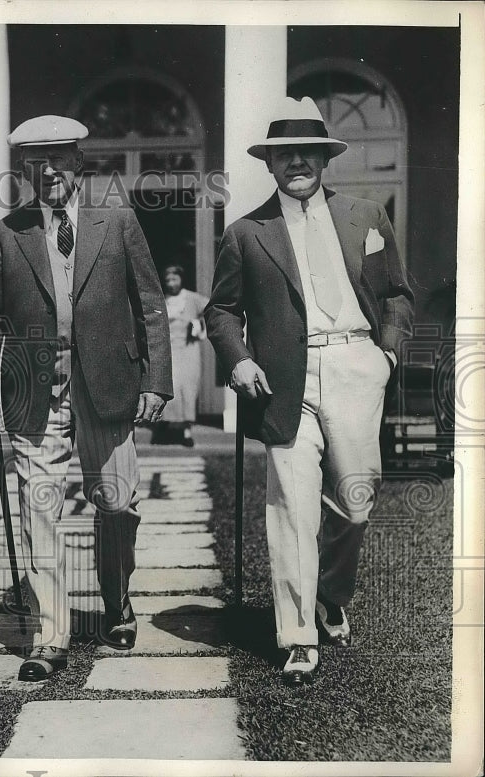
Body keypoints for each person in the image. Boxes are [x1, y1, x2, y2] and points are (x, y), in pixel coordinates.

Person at [205, 96, 413, 686]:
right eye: (284, 154)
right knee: (291, 508)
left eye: (307, 152)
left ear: (325, 158)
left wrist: (387, 352)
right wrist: (239, 360)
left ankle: (330, 594)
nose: (296, 161)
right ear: (269, 164)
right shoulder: (247, 232)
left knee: (356, 499)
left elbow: (397, 293)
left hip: (355, 364)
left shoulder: (367, 215)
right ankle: (296, 636)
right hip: (282, 380)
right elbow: (221, 311)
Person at [0, 116, 173, 681]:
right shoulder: (7, 234)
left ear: (80, 163)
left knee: (117, 503)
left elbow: (149, 302)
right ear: (25, 171)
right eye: (36, 162)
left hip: (108, 385)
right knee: (41, 508)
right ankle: (50, 633)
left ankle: (116, 600)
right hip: (37, 392)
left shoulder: (117, 221)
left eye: (59, 158)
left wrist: (156, 382)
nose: (49, 171)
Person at [156, 264, 209, 446]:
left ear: (181, 279)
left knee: (188, 389)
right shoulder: (163, 301)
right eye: (168, 280)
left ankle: (187, 432)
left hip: (188, 351)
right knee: (170, 388)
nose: (171, 283)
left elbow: (212, 310)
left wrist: (198, 323)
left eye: (174, 279)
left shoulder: (192, 299)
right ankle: (165, 428)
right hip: (169, 350)